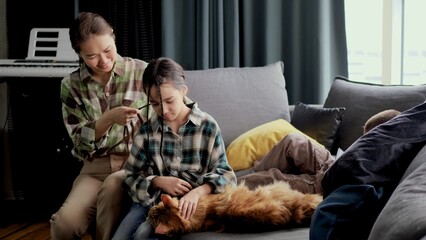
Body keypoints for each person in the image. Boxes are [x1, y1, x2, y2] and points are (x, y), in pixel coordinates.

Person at [112, 57, 237, 240]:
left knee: (142, 234)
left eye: (169, 100)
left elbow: (227, 176)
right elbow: (131, 176)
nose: (164, 110)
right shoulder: (147, 131)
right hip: (149, 202)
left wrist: (199, 191)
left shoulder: (207, 127)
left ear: (183, 91)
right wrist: (157, 181)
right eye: (155, 104)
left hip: (185, 208)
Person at [49, 12, 150, 240]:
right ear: (79, 54)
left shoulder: (142, 72)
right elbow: (79, 143)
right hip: (95, 167)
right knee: (65, 223)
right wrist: (108, 119)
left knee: (113, 189)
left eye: (107, 50)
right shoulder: (71, 85)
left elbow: (173, 113)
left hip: (135, 163)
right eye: (91, 56)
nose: (103, 61)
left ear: (113, 36)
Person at [310, 103, 425, 240]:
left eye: (366, 135)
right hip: (348, 184)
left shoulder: (391, 132)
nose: (362, 139)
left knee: (329, 216)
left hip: (356, 183)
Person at [238, 109, 401, 195]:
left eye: (368, 136)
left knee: (273, 178)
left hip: (326, 183)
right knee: (293, 141)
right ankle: (255, 169)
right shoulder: (374, 146)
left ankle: (229, 184)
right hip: (332, 161)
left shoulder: (389, 160)